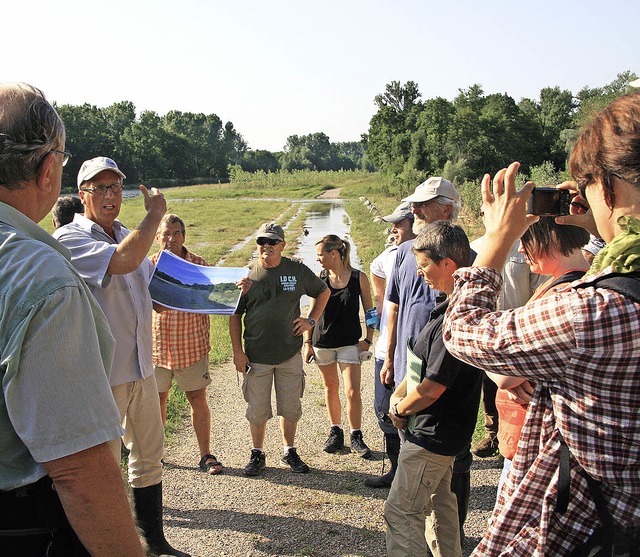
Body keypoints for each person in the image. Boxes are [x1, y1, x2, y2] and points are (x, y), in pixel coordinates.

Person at [443, 92, 640, 556]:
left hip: (590, 529)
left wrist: (496, 238)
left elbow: (465, 330)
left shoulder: (593, 311)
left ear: (607, 187)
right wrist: (599, 224)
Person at [0, 83, 145, 556]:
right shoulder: (42, 277)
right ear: (48, 171)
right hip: (23, 525)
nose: (111, 195)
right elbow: (80, 472)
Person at [53, 157, 189, 557]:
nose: (111, 196)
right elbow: (124, 261)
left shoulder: (129, 233)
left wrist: (214, 293)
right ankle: (105, 547)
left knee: (149, 454)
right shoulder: (72, 238)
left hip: (142, 366)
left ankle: (154, 541)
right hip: (103, 373)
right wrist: (157, 216)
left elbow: (154, 293)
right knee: (104, 467)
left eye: (115, 187)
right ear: (83, 196)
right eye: (100, 189)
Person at [384, 221, 483, 557]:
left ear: (448, 265)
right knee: (440, 510)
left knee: (401, 511)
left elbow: (432, 388)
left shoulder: (453, 318)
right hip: (444, 435)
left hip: (432, 435)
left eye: (424, 265)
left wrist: (400, 408)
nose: (420, 273)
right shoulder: (455, 307)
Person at [493, 217, 589, 494]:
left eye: (526, 240)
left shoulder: (563, 299)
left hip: (538, 449)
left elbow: (504, 374)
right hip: (530, 442)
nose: (522, 251)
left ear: (551, 239)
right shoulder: (558, 287)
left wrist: (496, 364)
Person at [230, 223, 330, 476]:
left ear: (283, 245)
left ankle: (289, 450)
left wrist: (310, 320)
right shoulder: (246, 276)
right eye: (262, 241)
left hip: (289, 354)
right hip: (256, 356)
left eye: (273, 242)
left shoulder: (296, 270)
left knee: (290, 406)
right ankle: (257, 453)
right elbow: (234, 315)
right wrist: (238, 351)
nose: (267, 246)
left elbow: (323, 291)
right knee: (257, 409)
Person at [151, 214, 222, 475]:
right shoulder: (148, 266)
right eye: (166, 234)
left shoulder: (199, 265)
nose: (171, 239)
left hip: (191, 345)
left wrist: (237, 289)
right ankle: (156, 455)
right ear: (157, 237)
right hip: (156, 348)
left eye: (176, 233)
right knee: (157, 400)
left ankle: (206, 455)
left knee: (197, 398)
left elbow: (218, 299)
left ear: (184, 236)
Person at [469, 227, 547, 458]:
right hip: (486, 333)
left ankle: (519, 437)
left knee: (518, 389)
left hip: (518, 333)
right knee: (488, 385)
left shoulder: (525, 247)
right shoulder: (476, 248)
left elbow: (539, 288)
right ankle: (493, 433)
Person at [303, 234, 376, 458]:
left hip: (350, 344)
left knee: (352, 391)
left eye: (320, 255)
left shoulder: (358, 278)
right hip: (323, 343)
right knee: (330, 388)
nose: (318, 260)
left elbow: (371, 312)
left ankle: (356, 435)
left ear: (333, 254)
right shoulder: (320, 277)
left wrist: (368, 339)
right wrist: (307, 342)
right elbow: (311, 314)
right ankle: (336, 432)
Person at [363, 202, 416, 487]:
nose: (393, 229)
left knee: (414, 411)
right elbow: (375, 272)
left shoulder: (427, 255)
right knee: (385, 410)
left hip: (411, 352)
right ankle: (397, 470)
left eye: (399, 223)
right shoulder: (389, 256)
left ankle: (413, 472)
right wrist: (378, 307)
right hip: (387, 350)